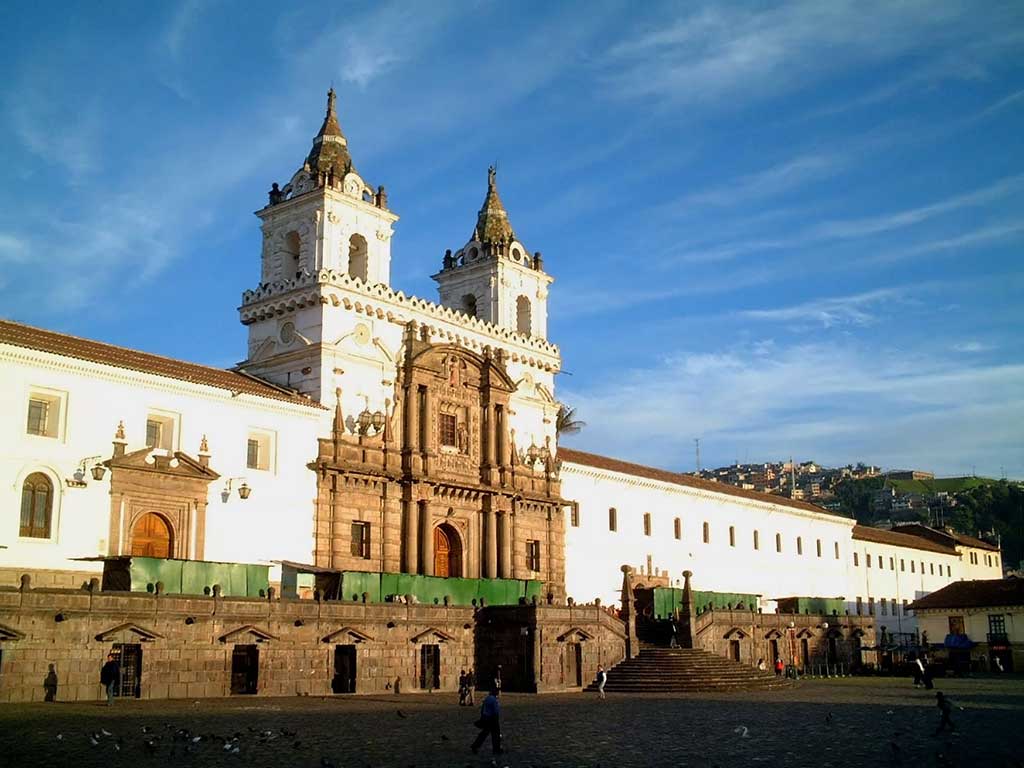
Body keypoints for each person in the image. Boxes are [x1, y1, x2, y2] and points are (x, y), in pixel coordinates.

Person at [470, 687, 503, 755]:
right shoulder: (494, 700)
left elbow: (483, 709)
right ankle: (496, 748)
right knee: (496, 734)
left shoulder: (487, 698)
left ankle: (475, 745)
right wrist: (496, 721)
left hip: (486, 717)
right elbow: (495, 711)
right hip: (492, 719)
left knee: (484, 733)